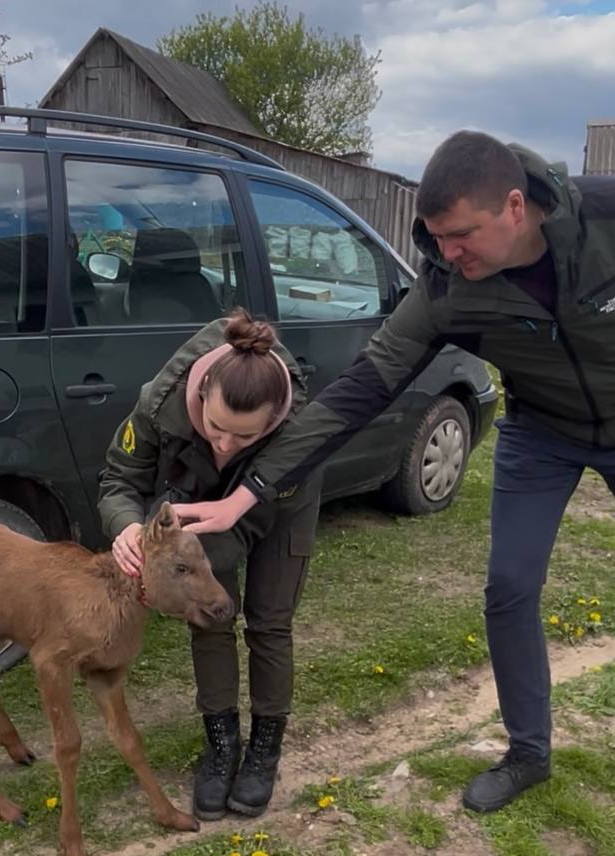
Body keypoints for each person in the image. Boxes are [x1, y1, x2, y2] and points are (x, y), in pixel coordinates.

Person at [172, 131, 615, 815]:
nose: (448, 254)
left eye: (462, 236)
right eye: (437, 239)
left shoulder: (603, 220)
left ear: (516, 207)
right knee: (508, 588)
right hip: (543, 434)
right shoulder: (445, 289)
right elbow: (357, 392)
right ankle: (529, 753)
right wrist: (247, 492)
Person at [98, 309, 321, 821]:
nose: (224, 444)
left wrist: (243, 497)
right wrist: (126, 526)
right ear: (199, 396)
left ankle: (265, 747)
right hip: (200, 504)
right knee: (212, 615)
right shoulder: (158, 404)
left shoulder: (301, 423)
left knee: (269, 623)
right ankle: (221, 744)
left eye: (244, 438)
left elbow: (276, 491)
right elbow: (119, 480)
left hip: (282, 504)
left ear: (273, 420)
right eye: (216, 428)